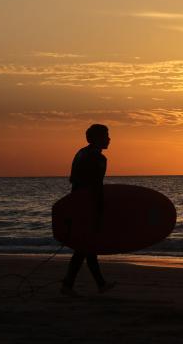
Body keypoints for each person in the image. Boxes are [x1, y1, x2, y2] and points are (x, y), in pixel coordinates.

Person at [61, 124, 116, 296]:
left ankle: (93, 284)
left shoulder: (80, 153)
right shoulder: (98, 159)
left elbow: (74, 182)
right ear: (96, 138)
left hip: (76, 204)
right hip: (87, 207)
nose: (109, 139)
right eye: (106, 135)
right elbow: (96, 187)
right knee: (86, 247)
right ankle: (71, 286)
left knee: (86, 247)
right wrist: (100, 210)